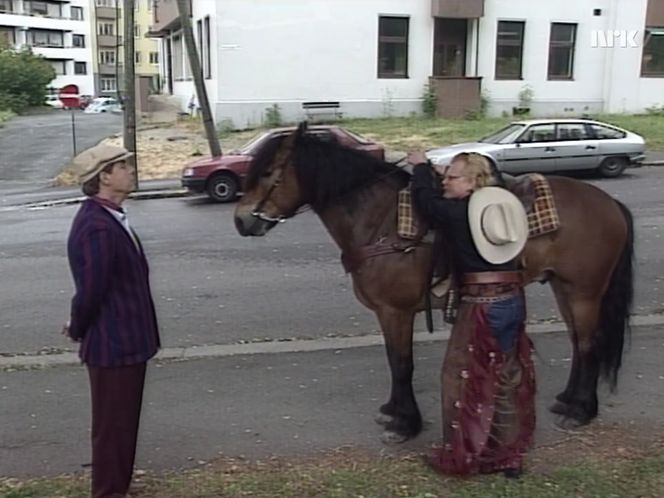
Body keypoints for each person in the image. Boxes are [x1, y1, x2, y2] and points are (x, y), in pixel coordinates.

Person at [409, 151, 535, 478]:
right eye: (445, 176)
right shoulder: (497, 210)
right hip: (512, 299)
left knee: (461, 376)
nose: (446, 182)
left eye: (452, 177)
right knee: (507, 374)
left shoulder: (456, 213)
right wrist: (439, 172)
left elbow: (424, 201)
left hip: (481, 305)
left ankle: (465, 454)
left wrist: (421, 166)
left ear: (473, 182)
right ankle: (509, 456)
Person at [63, 144, 161, 498]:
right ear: (104, 176)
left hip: (127, 342)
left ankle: (117, 487)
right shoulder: (97, 226)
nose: (131, 171)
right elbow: (92, 289)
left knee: (122, 426)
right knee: (112, 428)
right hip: (113, 346)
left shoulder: (110, 217)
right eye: (123, 166)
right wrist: (78, 326)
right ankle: (107, 492)